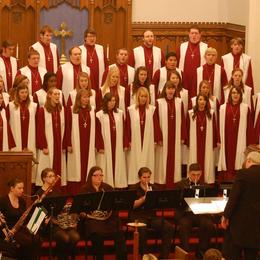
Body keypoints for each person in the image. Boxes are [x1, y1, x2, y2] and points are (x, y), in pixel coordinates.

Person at [80, 166, 127, 260]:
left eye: (101, 175)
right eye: (96, 175)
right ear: (90, 177)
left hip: (107, 219)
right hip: (92, 220)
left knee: (119, 233)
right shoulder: (84, 189)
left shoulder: (107, 188)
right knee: (97, 235)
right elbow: (80, 209)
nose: (99, 177)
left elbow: (115, 205)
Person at [221, 151, 260, 259]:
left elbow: (234, 198)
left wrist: (226, 215)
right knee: (251, 255)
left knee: (233, 254)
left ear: (248, 161)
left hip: (240, 223)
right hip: (257, 225)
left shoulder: (243, 174)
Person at [36, 168, 80, 260]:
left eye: (53, 176)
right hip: (49, 224)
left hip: (60, 222)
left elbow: (61, 208)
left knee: (75, 237)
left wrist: (67, 208)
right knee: (65, 238)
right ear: (44, 179)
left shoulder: (57, 192)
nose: (53, 178)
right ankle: (62, 257)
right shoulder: (39, 193)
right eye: (50, 176)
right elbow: (38, 212)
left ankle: (61, 255)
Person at [130, 167, 174, 259]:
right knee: (142, 229)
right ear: (140, 178)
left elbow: (159, 203)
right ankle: (145, 256)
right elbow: (132, 206)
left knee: (168, 227)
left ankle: (164, 256)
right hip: (138, 216)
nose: (146, 179)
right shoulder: (133, 188)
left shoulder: (154, 188)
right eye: (144, 177)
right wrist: (145, 197)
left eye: (148, 177)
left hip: (151, 217)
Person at [66, 89, 103, 194]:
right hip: (76, 143)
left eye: (88, 97)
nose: (86, 99)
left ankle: (88, 190)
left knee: (88, 165)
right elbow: (67, 127)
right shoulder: (71, 110)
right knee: (76, 167)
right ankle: (76, 191)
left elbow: (97, 128)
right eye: (84, 97)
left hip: (89, 143)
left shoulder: (92, 110)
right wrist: (68, 143)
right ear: (79, 98)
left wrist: (98, 144)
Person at [175, 163, 215, 255]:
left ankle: (202, 250)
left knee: (208, 224)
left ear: (201, 174)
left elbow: (208, 201)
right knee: (184, 225)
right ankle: (185, 250)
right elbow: (177, 202)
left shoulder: (205, 186)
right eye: (193, 175)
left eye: (198, 175)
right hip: (185, 214)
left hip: (200, 214)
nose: (196, 177)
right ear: (189, 173)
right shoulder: (180, 185)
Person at [126, 87, 162, 185]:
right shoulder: (131, 109)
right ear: (138, 97)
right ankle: (135, 182)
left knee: (147, 159)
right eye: (141, 96)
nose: (143, 98)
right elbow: (127, 126)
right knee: (135, 160)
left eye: (145, 96)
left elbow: (156, 124)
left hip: (148, 141)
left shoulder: (152, 109)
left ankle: (148, 183)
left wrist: (158, 139)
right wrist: (127, 141)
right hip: (135, 141)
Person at [218, 86, 254, 182]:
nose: (235, 95)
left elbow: (250, 127)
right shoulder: (223, 108)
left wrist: (249, 143)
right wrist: (218, 139)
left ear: (240, 95)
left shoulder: (245, 108)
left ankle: (238, 181)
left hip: (240, 140)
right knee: (227, 160)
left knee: (239, 159)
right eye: (233, 93)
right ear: (230, 94)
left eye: (237, 93)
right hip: (226, 140)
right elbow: (218, 125)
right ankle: (226, 181)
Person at [155, 81, 186, 187]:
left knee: (175, 158)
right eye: (168, 88)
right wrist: (158, 137)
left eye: (172, 88)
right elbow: (156, 120)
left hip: (175, 136)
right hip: (163, 137)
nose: (171, 90)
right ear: (165, 90)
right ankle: (162, 183)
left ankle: (173, 183)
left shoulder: (179, 102)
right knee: (162, 159)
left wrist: (182, 136)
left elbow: (182, 119)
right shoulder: (159, 102)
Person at [6, 82, 37, 182]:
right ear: (17, 93)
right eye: (22, 92)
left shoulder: (34, 106)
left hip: (30, 138)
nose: (24, 94)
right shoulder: (10, 106)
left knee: (30, 166)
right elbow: (7, 124)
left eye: (26, 92)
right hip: (16, 139)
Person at [36, 87, 67, 187]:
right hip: (48, 144)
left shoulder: (62, 110)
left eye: (59, 94)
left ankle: (58, 188)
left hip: (59, 143)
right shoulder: (42, 110)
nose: (58, 96)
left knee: (59, 167)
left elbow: (66, 128)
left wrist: (64, 144)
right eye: (55, 94)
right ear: (49, 96)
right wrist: (43, 145)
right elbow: (40, 128)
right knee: (48, 165)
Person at [96, 92, 128, 188]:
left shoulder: (120, 113)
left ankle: (118, 184)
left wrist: (125, 143)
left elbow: (124, 129)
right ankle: (107, 185)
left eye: (114, 101)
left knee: (118, 163)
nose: (112, 103)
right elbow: (97, 132)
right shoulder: (99, 114)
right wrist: (100, 146)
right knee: (106, 164)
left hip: (117, 144)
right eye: (110, 101)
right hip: (106, 144)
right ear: (106, 101)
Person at [0, 178, 37, 259]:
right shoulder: (3, 201)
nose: (22, 190)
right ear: (12, 188)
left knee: (36, 239)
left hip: (19, 228)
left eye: (22, 188)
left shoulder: (22, 201)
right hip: (9, 231)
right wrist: (5, 230)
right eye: (19, 188)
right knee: (28, 242)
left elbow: (24, 217)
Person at [187, 94, 219, 184]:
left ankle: (207, 182)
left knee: (207, 161)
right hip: (195, 143)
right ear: (197, 101)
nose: (202, 102)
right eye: (200, 99)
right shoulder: (191, 113)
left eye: (204, 100)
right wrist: (187, 142)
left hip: (207, 142)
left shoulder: (211, 113)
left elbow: (215, 128)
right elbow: (186, 127)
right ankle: (193, 182)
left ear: (206, 102)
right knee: (194, 158)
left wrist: (215, 142)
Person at [176, 25, 208, 98]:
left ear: (200, 35)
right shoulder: (182, 46)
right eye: (192, 33)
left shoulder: (205, 47)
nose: (194, 35)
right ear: (189, 34)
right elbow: (176, 62)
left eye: (196, 33)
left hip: (198, 78)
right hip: (184, 77)